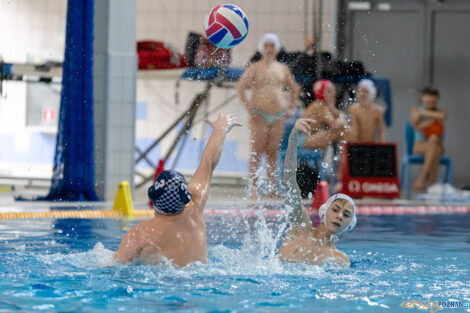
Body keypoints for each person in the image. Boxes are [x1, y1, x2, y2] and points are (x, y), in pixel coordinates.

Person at [114, 113, 242, 267]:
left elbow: (114, 269)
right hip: (198, 282)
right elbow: (208, 161)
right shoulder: (195, 207)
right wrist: (220, 128)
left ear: (153, 198)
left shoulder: (140, 233)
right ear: (185, 197)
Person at [278, 118, 357, 267]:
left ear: (350, 225)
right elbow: (289, 182)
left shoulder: (340, 260)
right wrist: (293, 141)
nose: (339, 216)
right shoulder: (300, 228)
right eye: (335, 210)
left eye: (346, 215)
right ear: (323, 211)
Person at [237, 33, 299, 199]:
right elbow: (240, 87)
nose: (269, 49)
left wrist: (292, 108)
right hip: (259, 114)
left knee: (273, 152)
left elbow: (294, 89)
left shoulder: (282, 69)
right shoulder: (255, 67)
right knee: (257, 151)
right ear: (262, 49)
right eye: (266, 46)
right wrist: (248, 106)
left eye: (272, 46)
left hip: (278, 114)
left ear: (276, 49)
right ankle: (253, 190)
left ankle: (272, 189)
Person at [410, 87, 446, 189]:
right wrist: (432, 120)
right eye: (428, 99)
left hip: (437, 143)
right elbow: (415, 124)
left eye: (432, 100)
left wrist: (423, 115)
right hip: (420, 145)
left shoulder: (441, 110)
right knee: (435, 148)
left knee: (433, 140)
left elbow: (442, 116)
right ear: (422, 98)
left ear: (437, 99)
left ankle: (422, 178)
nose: (430, 102)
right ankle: (432, 183)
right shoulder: (416, 109)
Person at [300, 80, 348, 150]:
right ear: (321, 93)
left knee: (343, 130)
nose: (333, 94)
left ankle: (342, 156)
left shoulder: (319, 105)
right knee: (340, 130)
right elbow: (336, 125)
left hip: (305, 139)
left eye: (333, 90)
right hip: (303, 141)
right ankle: (346, 157)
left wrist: (338, 114)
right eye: (329, 91)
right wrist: (342, 115)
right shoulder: (320, 105)